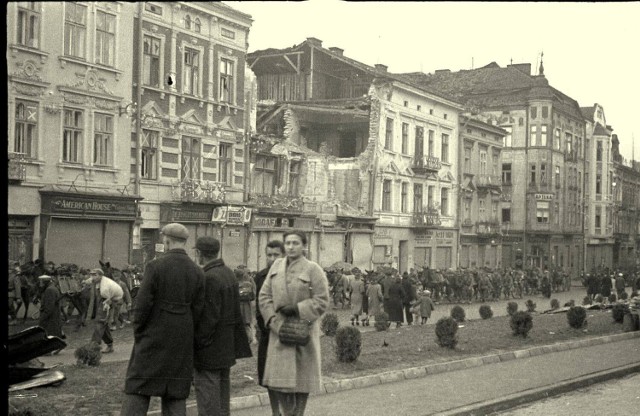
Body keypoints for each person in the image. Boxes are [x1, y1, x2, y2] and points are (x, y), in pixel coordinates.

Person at [121, 223, 205, 416]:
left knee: (139, 386)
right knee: (175, 392)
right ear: (185, 242)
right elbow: (199, 310)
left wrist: (140, 332)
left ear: (166, 241)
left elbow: (142, 306)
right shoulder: (197, 271)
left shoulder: (155, 266)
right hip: (182, 337)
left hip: (153, 335)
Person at [259, 230, 330, 416]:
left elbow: (322, 301)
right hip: (279, 334)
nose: (291, 247)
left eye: (295, 243)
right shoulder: (276, 266)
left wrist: (299, 309)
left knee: (301, 383)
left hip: (302, 334)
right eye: (288, 243)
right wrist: (274, 322)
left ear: (304, 246)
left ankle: (297, 414)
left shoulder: (313, 269)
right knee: (278, 383)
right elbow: (264, 297)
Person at [193, 236, 252, 416]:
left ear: (200, 254)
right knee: (222, 400)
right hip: (225, 348)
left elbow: (209, 317)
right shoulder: (227, 273)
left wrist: (198, 343)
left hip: (209, 350)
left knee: (208, 402)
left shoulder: (209, 277)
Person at [254, 240, 286, 416]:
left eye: (276, 255)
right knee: (269, 379)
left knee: (286, 378)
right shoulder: (260, 276)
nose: (272, 258)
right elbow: (259, 307)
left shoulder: (292, 275)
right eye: (269, 255)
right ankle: (276, 412)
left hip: (287, 336)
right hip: (268, 335)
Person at [85, 268, 123, 353]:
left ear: (101, 276)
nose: (93, 277)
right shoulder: (95, 283)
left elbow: (114, 297)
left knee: (99, 325)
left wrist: (109, 303)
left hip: (106, 307)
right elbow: (89, 282)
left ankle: (94, 346)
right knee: (104, 327)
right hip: (98, 307)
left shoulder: (106, 285)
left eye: (95, 275)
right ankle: (110, 345)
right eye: (92, 275)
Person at [37, 275, 64, 340]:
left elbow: (49, 308)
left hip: (51, 321)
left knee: (50, 339)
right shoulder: (52, 288)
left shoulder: (49, 290)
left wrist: (42, 319)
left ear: (45, 282)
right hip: (53, 319)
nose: (40, 284)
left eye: (41, 282)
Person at [236, 267, 258, 345]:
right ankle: (249, 338)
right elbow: (253, 296)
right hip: (247, 305)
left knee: (239, 322)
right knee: (247, 323)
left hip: (237, 305)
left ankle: (240, 339)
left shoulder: (235, 284)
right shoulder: (249, 284)